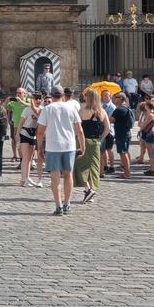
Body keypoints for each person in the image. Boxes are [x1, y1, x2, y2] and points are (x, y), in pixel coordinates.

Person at [36, 87, 84, 216]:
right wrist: (83, 147)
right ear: (63, 95)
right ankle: (67, 203)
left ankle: (58, 205)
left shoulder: (47, 109)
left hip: (52, 146)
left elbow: (40, 132)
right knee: (68, 175)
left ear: (51, 95)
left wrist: (39, 147)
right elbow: (79, 130)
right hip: (69, 145)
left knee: (55, 178)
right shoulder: (72, 108)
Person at [73, 88, 109, 204]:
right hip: (95, 143)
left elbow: (77, 128)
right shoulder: (102, 111)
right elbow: (107, 129)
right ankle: (90, 190)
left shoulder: (82, 110)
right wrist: (100, 139)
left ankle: (88, 189)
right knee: (93, 168)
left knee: (78, 166)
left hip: (84, 141)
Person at [19, 92, 44, 188]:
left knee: (30, 158)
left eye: (39, 98)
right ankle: (24, 178)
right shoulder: (26, 109)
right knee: (25, 157)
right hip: (25, 132)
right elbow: (21, 123)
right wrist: (17, 134)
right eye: (36, 98)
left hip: (34, 134)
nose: (38, 100)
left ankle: (27, 177)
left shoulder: (42, 110)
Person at [111, 92, 135, 180]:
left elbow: (111, 120)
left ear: (121, 98)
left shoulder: (119, 109)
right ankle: (127, 171)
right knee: (125, 152)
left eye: (116, 97)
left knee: (123, 153)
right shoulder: (127, 107)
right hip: (127, 133)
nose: (115, 99)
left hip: (121, 134)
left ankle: (127, 173)